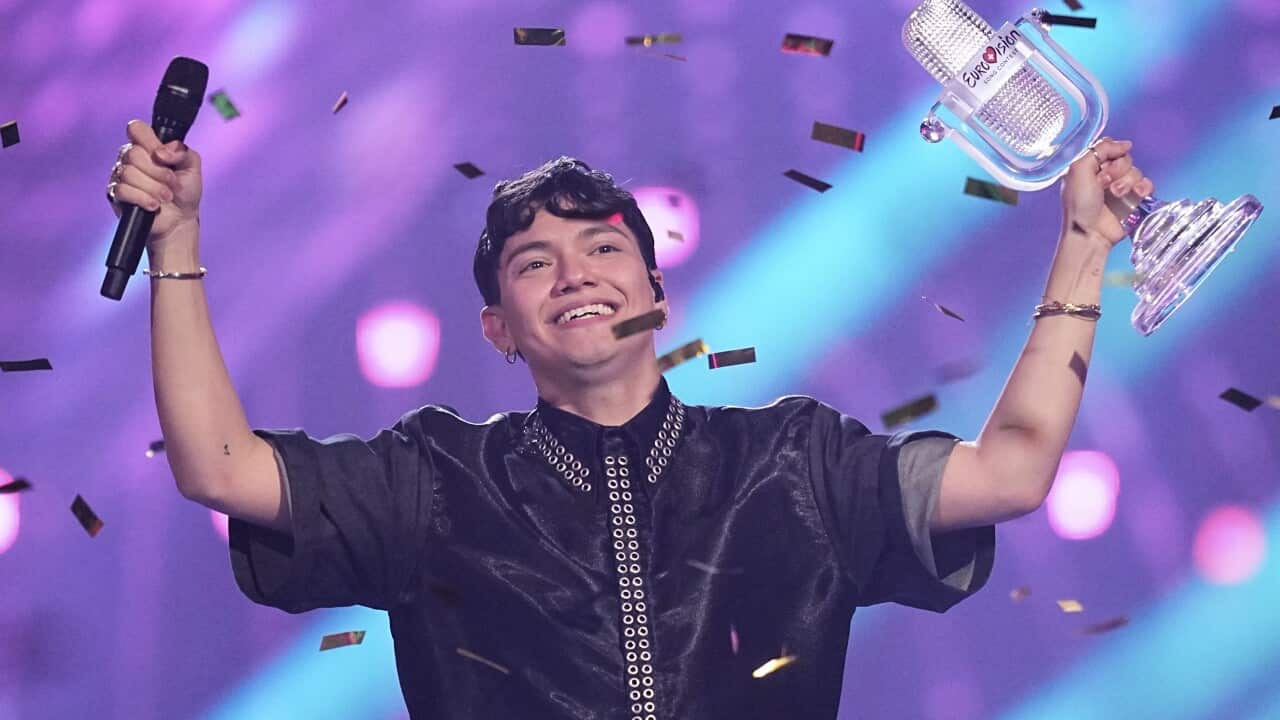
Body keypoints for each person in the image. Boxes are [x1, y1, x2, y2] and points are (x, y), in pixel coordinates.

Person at [106, 118, 1153, 719]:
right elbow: (219, 466)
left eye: (603, 250)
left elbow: (1012, 470)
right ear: (497, 330)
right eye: (533, 264)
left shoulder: (791, 458)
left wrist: (1081, 244)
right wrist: (177, 241)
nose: (575, 276)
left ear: (657, 294)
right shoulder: (432, 478)